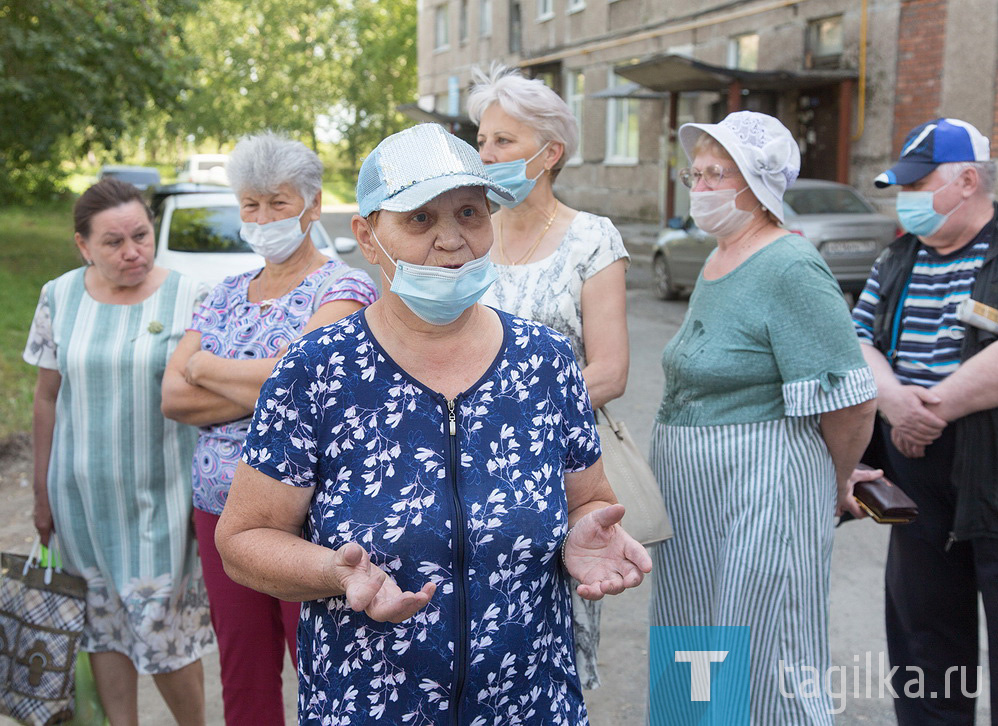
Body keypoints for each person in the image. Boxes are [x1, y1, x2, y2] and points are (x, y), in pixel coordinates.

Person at [213, 123, 652, 725]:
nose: (452, 240)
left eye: (470, 213)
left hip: (527, 704)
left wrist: (579, 534)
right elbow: (242, 541)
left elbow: (588, 500)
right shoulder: (318, 370)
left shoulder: (544, 362)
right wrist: (330, 572)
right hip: (370, 705)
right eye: (420, 219)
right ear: (368, 237)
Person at [648, 111, 877, 722]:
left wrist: (838, 480)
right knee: (695, 645)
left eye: (717, 174)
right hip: (698, 494)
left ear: (759, 184)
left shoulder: (790, 266)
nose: (699, 187)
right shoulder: (721, 256)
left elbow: (851, 401)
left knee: (767, 651)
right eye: (694, 173)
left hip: (764, 487)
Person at [161, 132, 378, 725]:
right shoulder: (224, 293)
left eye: (277, 203)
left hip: (308, 517)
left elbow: (304, 390)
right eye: (250, 205)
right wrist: (263, 381)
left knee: (323, 665)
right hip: (218, 510)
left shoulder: (344, 288)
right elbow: (174, 396)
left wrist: (206, 366)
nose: (262, 217)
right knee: (243, 668)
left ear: (312, 204)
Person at [23, 178, 215, 725]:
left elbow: (203, 396)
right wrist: (41, 493)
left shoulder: (189, 296)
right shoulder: (58, 295)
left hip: (160, 500)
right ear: (83, 245)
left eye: (141, 235)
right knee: (101, 629)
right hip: (79, 501)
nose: (132, 251)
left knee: (161, 632)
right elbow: (46, 397)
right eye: (113, 242)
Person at [468, 62, 629, 691]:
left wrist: (506, 411)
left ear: (550, 152)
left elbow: (610, 372)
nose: (487, 154)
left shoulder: (591, 238)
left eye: (503, 141)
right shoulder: (466, 236)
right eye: (482, 141)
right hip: (460, 462)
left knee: (544, 646)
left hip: (552, 470)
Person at [851, 117, 998, 723]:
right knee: (924, 638)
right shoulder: (899, 255)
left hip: (989, 461)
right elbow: (859, 340)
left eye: (919, 185)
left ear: (968, 180)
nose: (907, 200)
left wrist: (927, 409)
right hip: (916, 468)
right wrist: (893, 402)